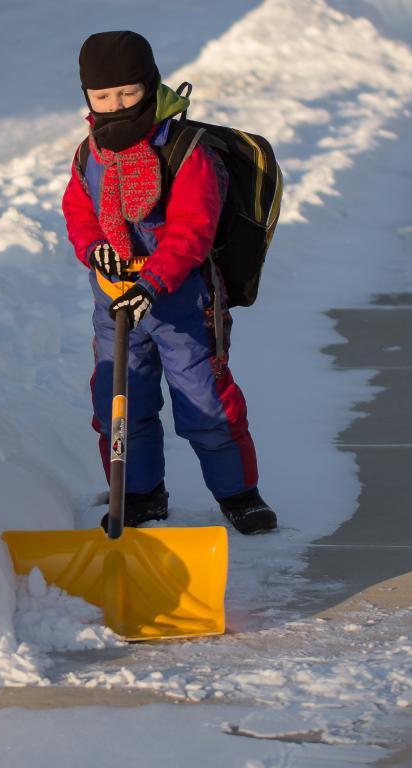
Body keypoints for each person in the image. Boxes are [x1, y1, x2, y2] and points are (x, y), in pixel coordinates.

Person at [62, 31, 277, 535]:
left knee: (205, 400)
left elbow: (191, 230)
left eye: (128, 93)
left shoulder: (184, 150)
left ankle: (239, 495)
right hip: (114, 300)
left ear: (150, 84)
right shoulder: (89, 152)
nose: (115, 105)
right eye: (102, 97)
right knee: (120, 402)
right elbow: (79, 210)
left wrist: (153, 284)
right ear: (87, 98)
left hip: (182, 299)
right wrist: (94, 248)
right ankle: (140, 496)